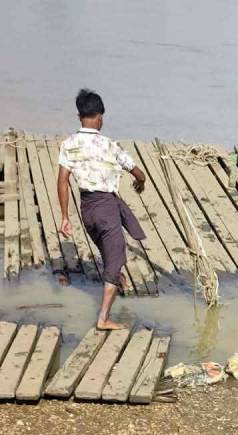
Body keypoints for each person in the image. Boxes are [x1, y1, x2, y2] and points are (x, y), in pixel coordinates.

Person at [57, 89, 147, 330]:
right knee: (115, 254)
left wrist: (65, 217)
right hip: (106, 207)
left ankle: (118, 279)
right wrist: (141, 182)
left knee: (110, 251)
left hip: (87, 210)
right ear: (100, 117)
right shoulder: (109, 145)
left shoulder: (69, 145)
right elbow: (138, 172)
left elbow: (62, 180)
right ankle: (104, 319)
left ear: (79, 116)